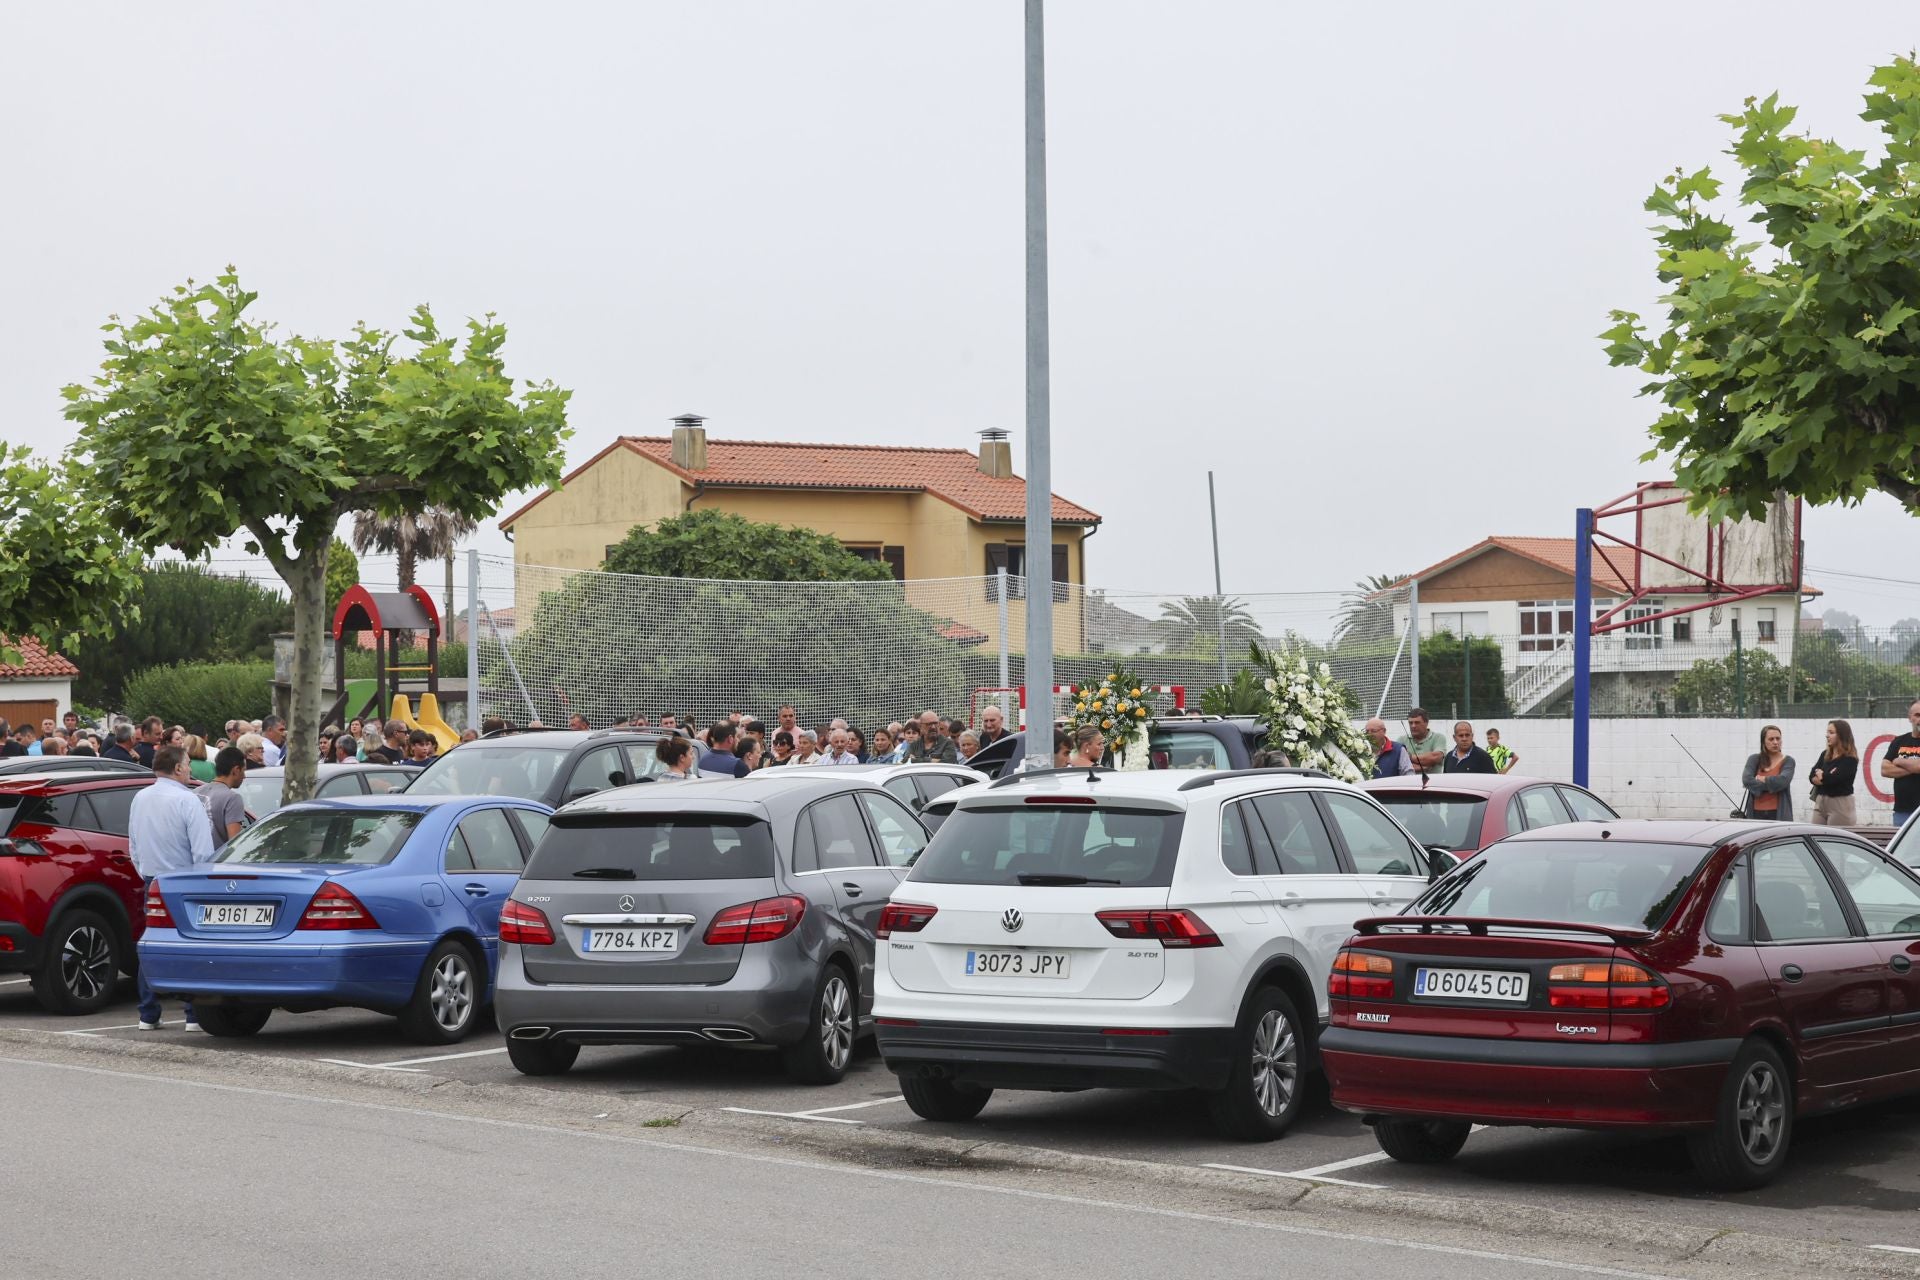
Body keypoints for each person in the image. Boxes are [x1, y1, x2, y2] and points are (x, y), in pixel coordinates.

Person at [129, 745, 216, 1031]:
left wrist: (145, 873)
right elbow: (202, 850)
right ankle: (193, 1014)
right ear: (178, 768)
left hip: (153, 879)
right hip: (185, 881)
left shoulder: (140, 798)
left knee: (152, 941)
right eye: (188, 763)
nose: (190, 768)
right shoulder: (188, 800)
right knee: (192, 946)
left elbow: (134, 846)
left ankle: (148, 1013)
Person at [1808, 719, 1860, 827]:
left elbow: (1833, 780)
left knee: (1836, 839)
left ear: (1841, 735)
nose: (1827, 736)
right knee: (1816, 836)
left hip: (1840, 804)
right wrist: (1823, 778)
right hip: (1821, 802)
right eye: (1827, 732)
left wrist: (1823, 777)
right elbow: (1812, 776)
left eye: (1831, 733)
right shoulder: (1825, 754)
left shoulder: (1849, 759)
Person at [1740, 724, 1796, 821]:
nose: (1775, 742)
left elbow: (1783, 781)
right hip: (1755, 814)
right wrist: (1772, 785)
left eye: (1778, 739)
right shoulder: (1754, 759)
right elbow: (1747, 780)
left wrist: (1763, 779)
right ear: (1763, 742)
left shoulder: (1788, 761)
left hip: (1778, 814)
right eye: (1771, 739)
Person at [201, 746, 248, 851]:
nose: (244, 776)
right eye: (243, 770)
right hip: (217, 863)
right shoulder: (232, 798)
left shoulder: (195, 792)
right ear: (236, 770)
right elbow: (234, 844)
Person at [1882, 701, 1920, 828]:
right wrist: (1915, 767)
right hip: (1902, 811)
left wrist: (1900, 761)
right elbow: (1885, 770)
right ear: (1910, 718)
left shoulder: (1899, 758)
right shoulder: (1899, 741)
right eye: (1917, 715)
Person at [1398, 708, 1447, 776]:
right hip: (1409, 784)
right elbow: (1399, 764)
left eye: (1417, 722)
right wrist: (1424, 766)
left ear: (1426, 723)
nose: (1413, 726)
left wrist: (1409, 757)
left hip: (1433, 784)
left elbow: (1435, 757)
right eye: (1410, 723)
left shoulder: (1438, 737)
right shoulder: (1401, 740)